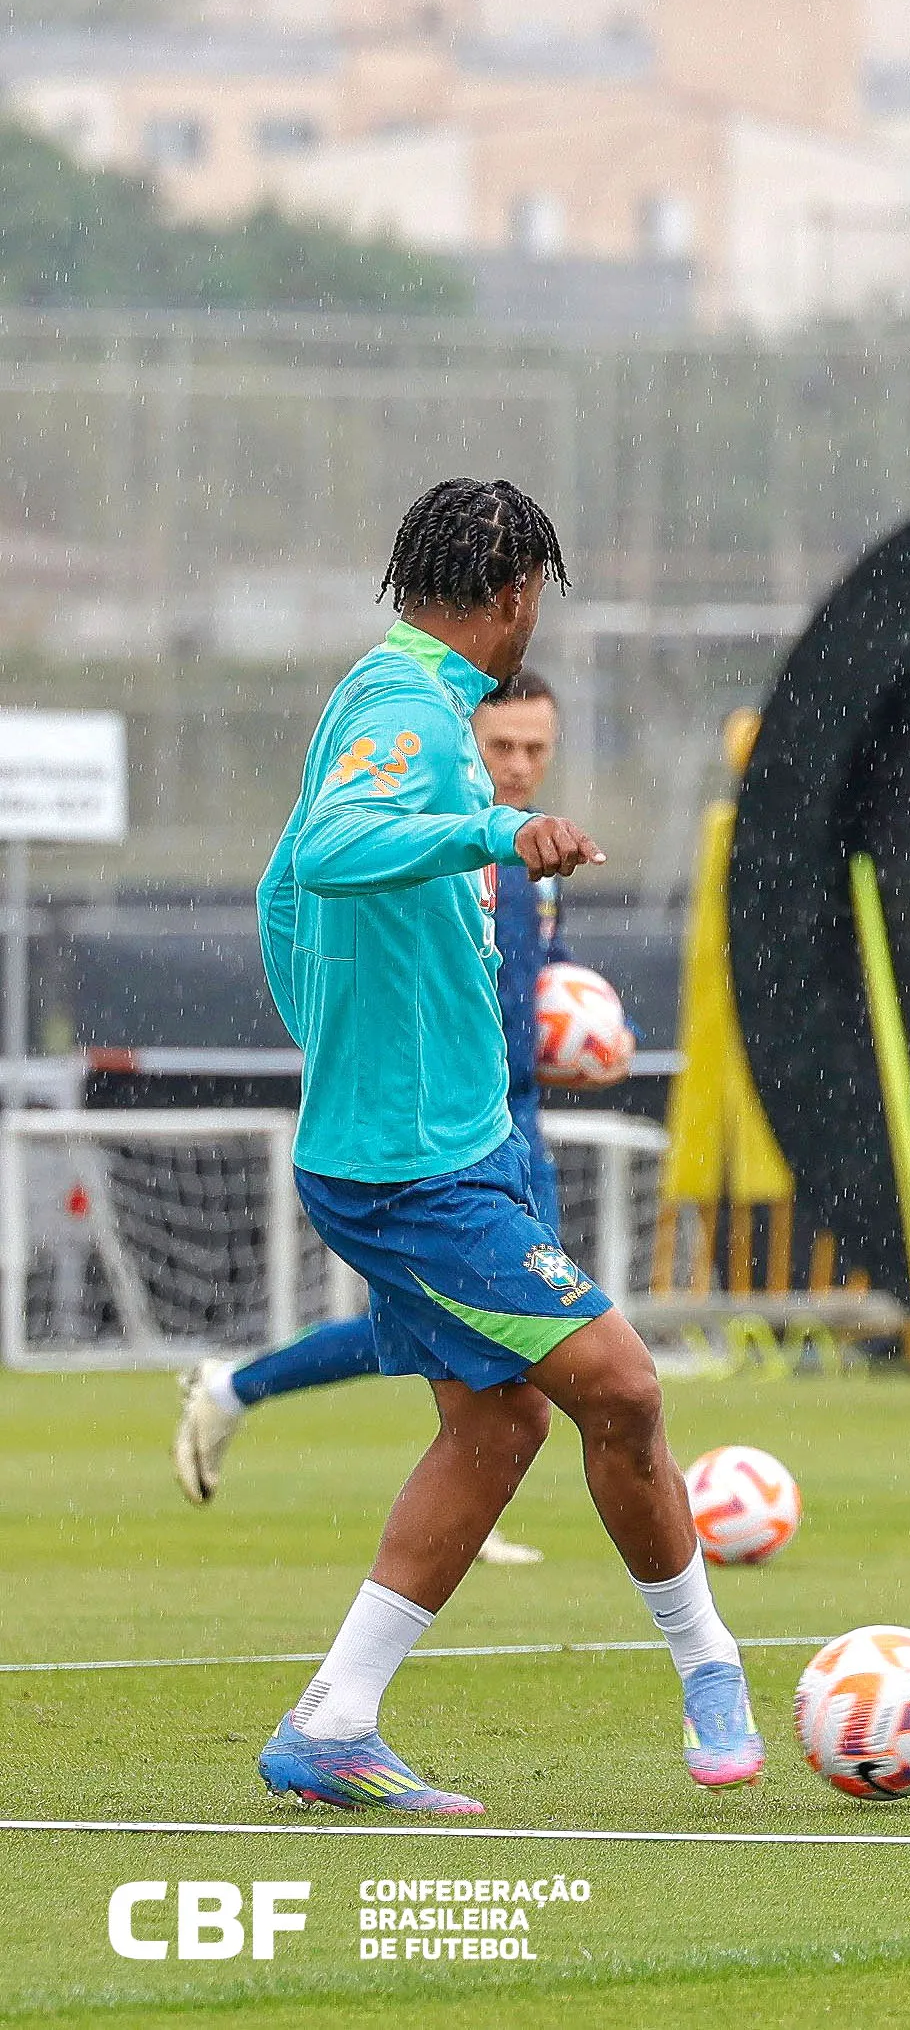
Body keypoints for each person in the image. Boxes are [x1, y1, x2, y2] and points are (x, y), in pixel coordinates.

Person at [247, 477, 755, 1811]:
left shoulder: (400, 694)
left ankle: (333, 1720)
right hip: (411, 1163)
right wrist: (495, 830)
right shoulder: (407, 708)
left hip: (435, 1138)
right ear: (517, 591)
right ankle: (709, 1660)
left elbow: (278, 884)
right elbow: (331, 846)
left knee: (499, 1422)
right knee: (623, 1386)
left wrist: (338, 1027)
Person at [177, 669, 613, 1565]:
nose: (518, 765)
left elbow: (543, 971)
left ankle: (243, 1392)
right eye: (500, 746)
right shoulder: (430, 847)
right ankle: (246, 1392)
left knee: (457, 1333)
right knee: (498, 1334)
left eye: (535, 748)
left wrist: (594, 1025)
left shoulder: (535, 858)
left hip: (515, 1125)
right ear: (467, 747)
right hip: (434, 1137)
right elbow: (297, 899)